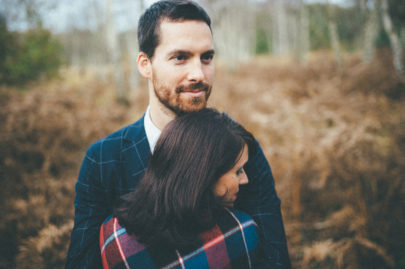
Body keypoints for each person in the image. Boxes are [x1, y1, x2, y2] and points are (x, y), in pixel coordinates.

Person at [66, 0, 291, 268]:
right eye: (180, 57)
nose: (198, 74)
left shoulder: (239, 149)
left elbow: (274, 255)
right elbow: (83, 261)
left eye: (207, 57)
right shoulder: (104, 159)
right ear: (145, 64)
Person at [100, 108, 260, 268]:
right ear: (205, 176)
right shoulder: (242, 232)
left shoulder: (113, 236)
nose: (245, 179)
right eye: (238, 171)